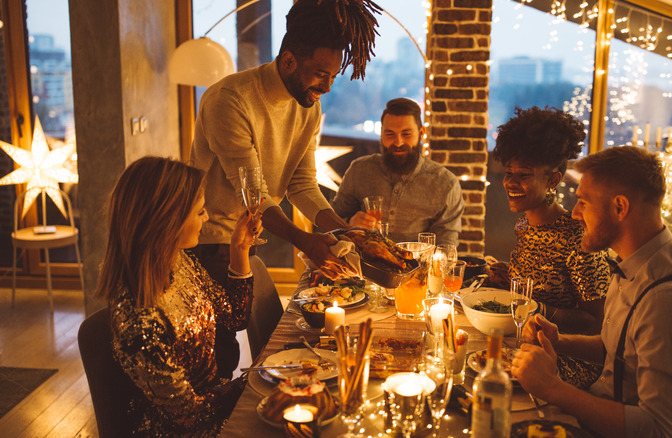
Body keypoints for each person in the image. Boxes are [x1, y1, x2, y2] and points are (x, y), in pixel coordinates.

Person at [189, 0, 381, 376]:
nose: (326, 87)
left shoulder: (307, 106)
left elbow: (302, 184)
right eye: (320, 74)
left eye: (333, 76)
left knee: (228, 345)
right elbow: (254, 194)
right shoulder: (230, 100)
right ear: (289, 60)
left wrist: (344, 231)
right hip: (207, 237)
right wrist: (306, 240)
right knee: (216, 352)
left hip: (246, 236)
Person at [511, 146, 672, 437]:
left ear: (620, 207)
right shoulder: (633, 261)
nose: (575, 214)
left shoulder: (670, 300)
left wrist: (553, 388)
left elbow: (661, 430)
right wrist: (558, 341)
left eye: (584, 202)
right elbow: (619, 350)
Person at [95, 157, 259, 436]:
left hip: (215, 407)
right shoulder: (139, 320)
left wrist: (239, 250)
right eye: (199, 212)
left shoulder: (178, 260)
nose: (206, 218)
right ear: (167, 219)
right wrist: (256, 381)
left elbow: (234, 317)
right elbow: (189, 417)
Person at [488, 106, 609, 388]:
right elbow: (542, 281)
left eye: (524, 175)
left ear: (553, 180)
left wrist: (535, 307)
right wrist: (511, 277)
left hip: (564, 364)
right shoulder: (524, 225)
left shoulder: (579, 238)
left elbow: (596, 322)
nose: (511, 183)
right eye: (509, 173)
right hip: (522, 343)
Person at [330, 97, 464, 247]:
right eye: (390, 134)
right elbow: (331, 221)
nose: (398, 142)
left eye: (406, 134)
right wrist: (349, 224)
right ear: (381, 134)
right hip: (361, 267)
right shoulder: (359, 170)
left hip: (416, 268)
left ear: (421, 133)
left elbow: (445, 246)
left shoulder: (446, 184)